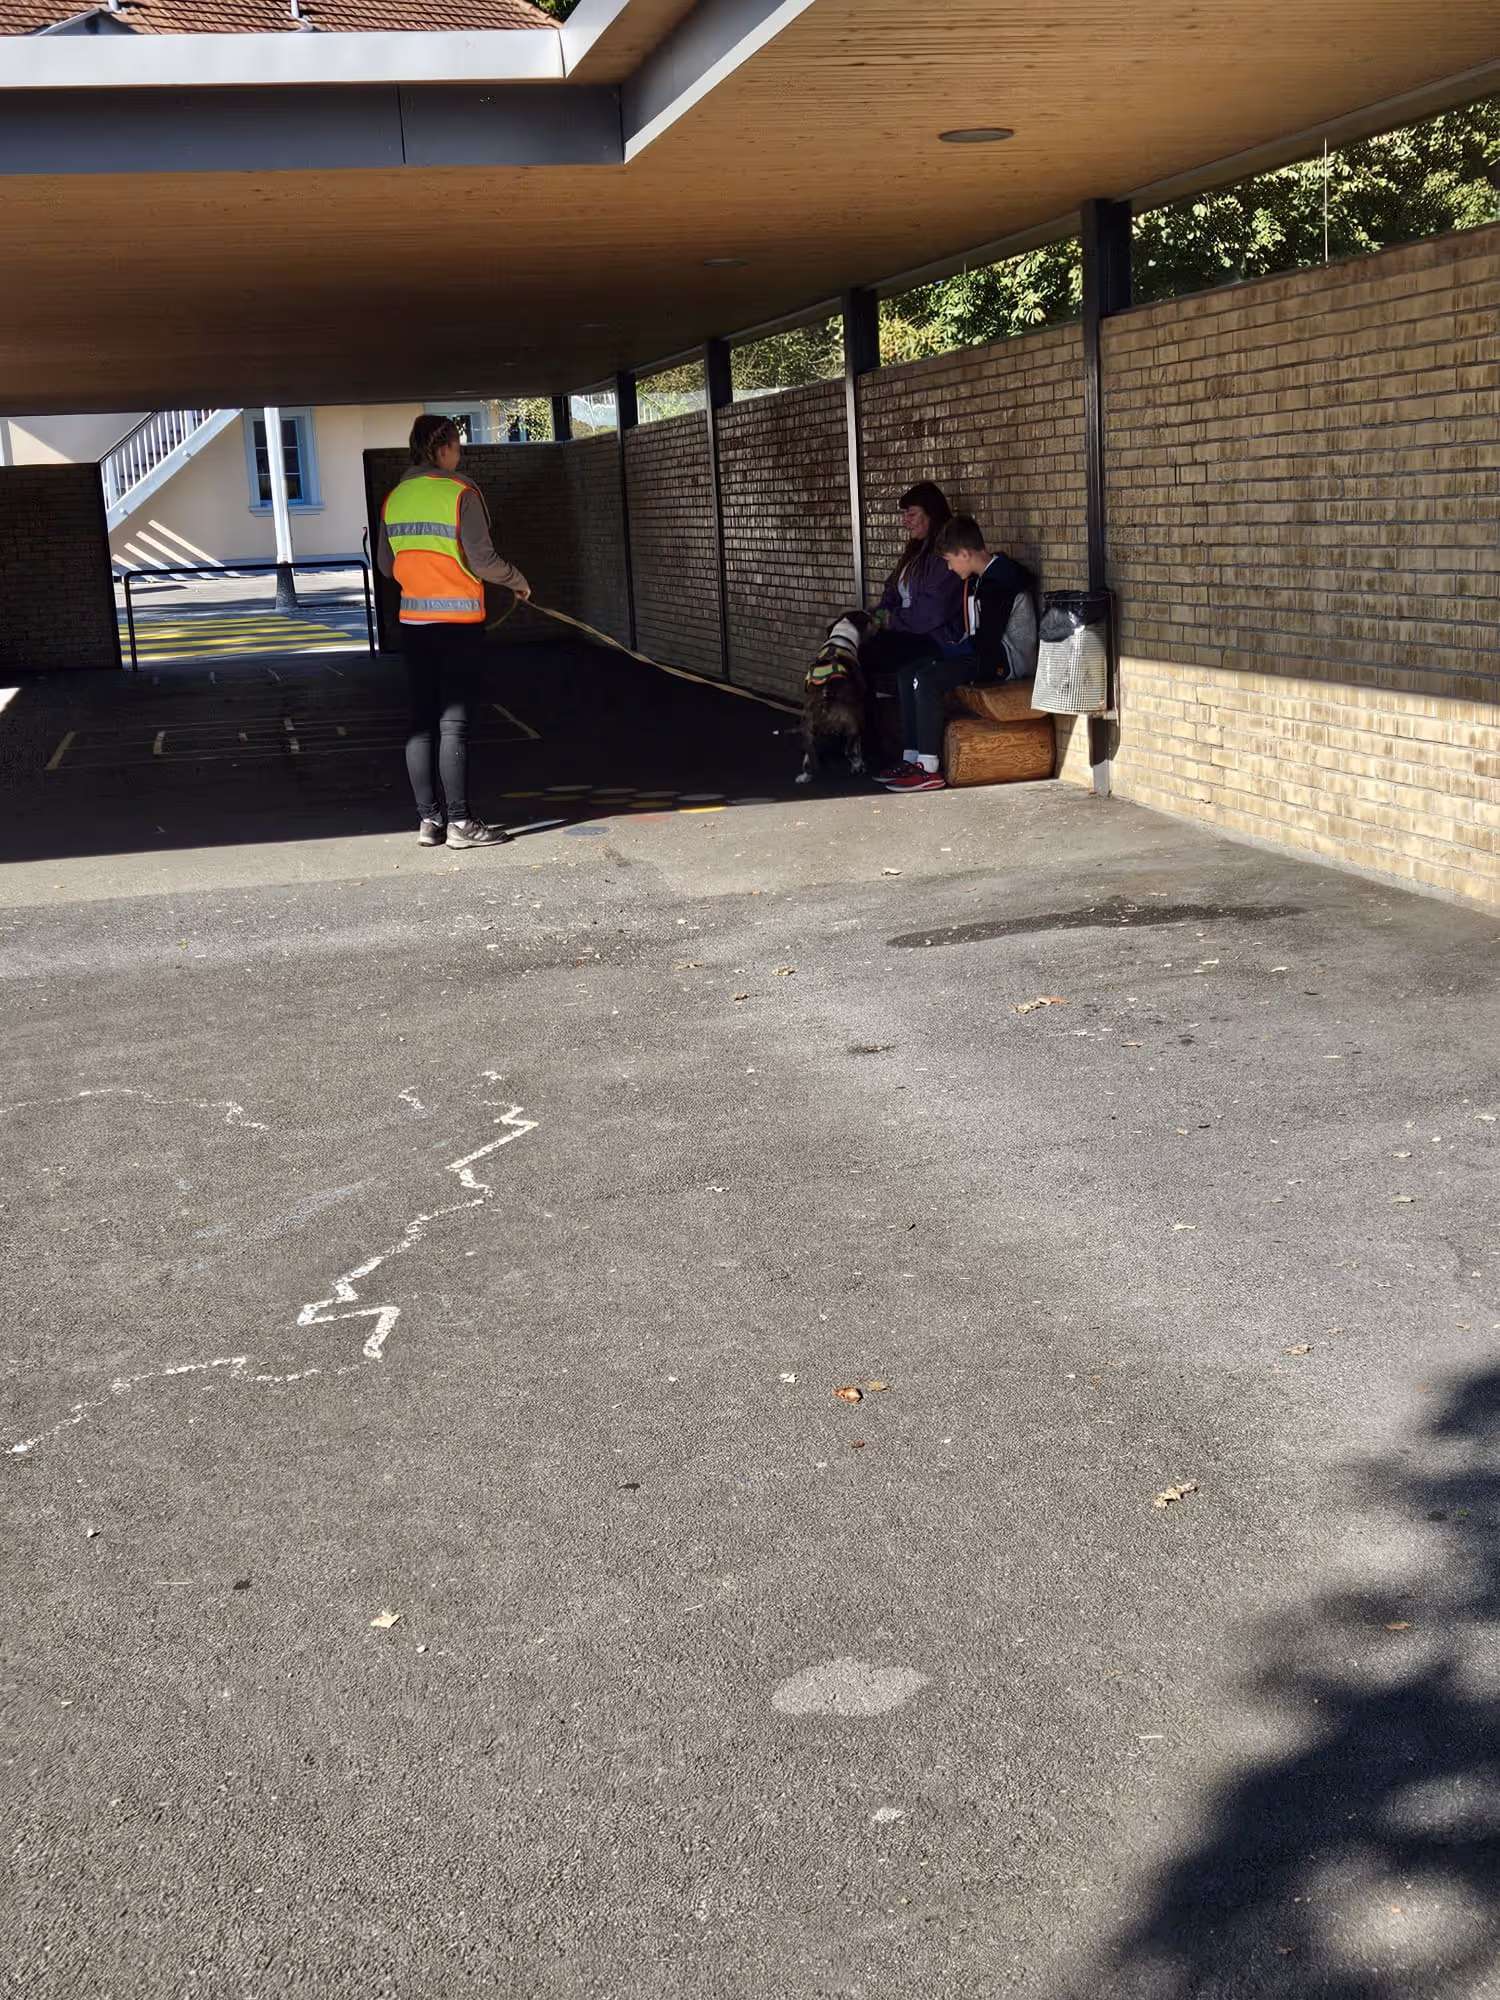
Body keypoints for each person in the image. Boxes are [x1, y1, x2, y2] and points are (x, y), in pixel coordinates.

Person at [376, 414, 531, 849]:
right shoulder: (461, 492)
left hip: (414, 625)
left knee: (421, 724)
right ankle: (461, 824)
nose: (459, 456)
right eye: (458, 448)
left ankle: (430, 822)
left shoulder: (395, 498)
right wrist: (517, 580)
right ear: (443, 448)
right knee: (453, 725)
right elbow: (482, 560)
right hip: (458, 626)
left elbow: (386, 565)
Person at [878, 514, 1034, 793]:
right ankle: (912, 758)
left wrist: (949, 653)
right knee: (907, 674)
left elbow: (987, 641)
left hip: (1005, 660)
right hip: (986, 652)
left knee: (927, 679)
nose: (949, 568)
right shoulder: (980, 579)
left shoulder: (1000, 582)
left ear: (965, 553)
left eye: (950, 560)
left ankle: (928, 768)